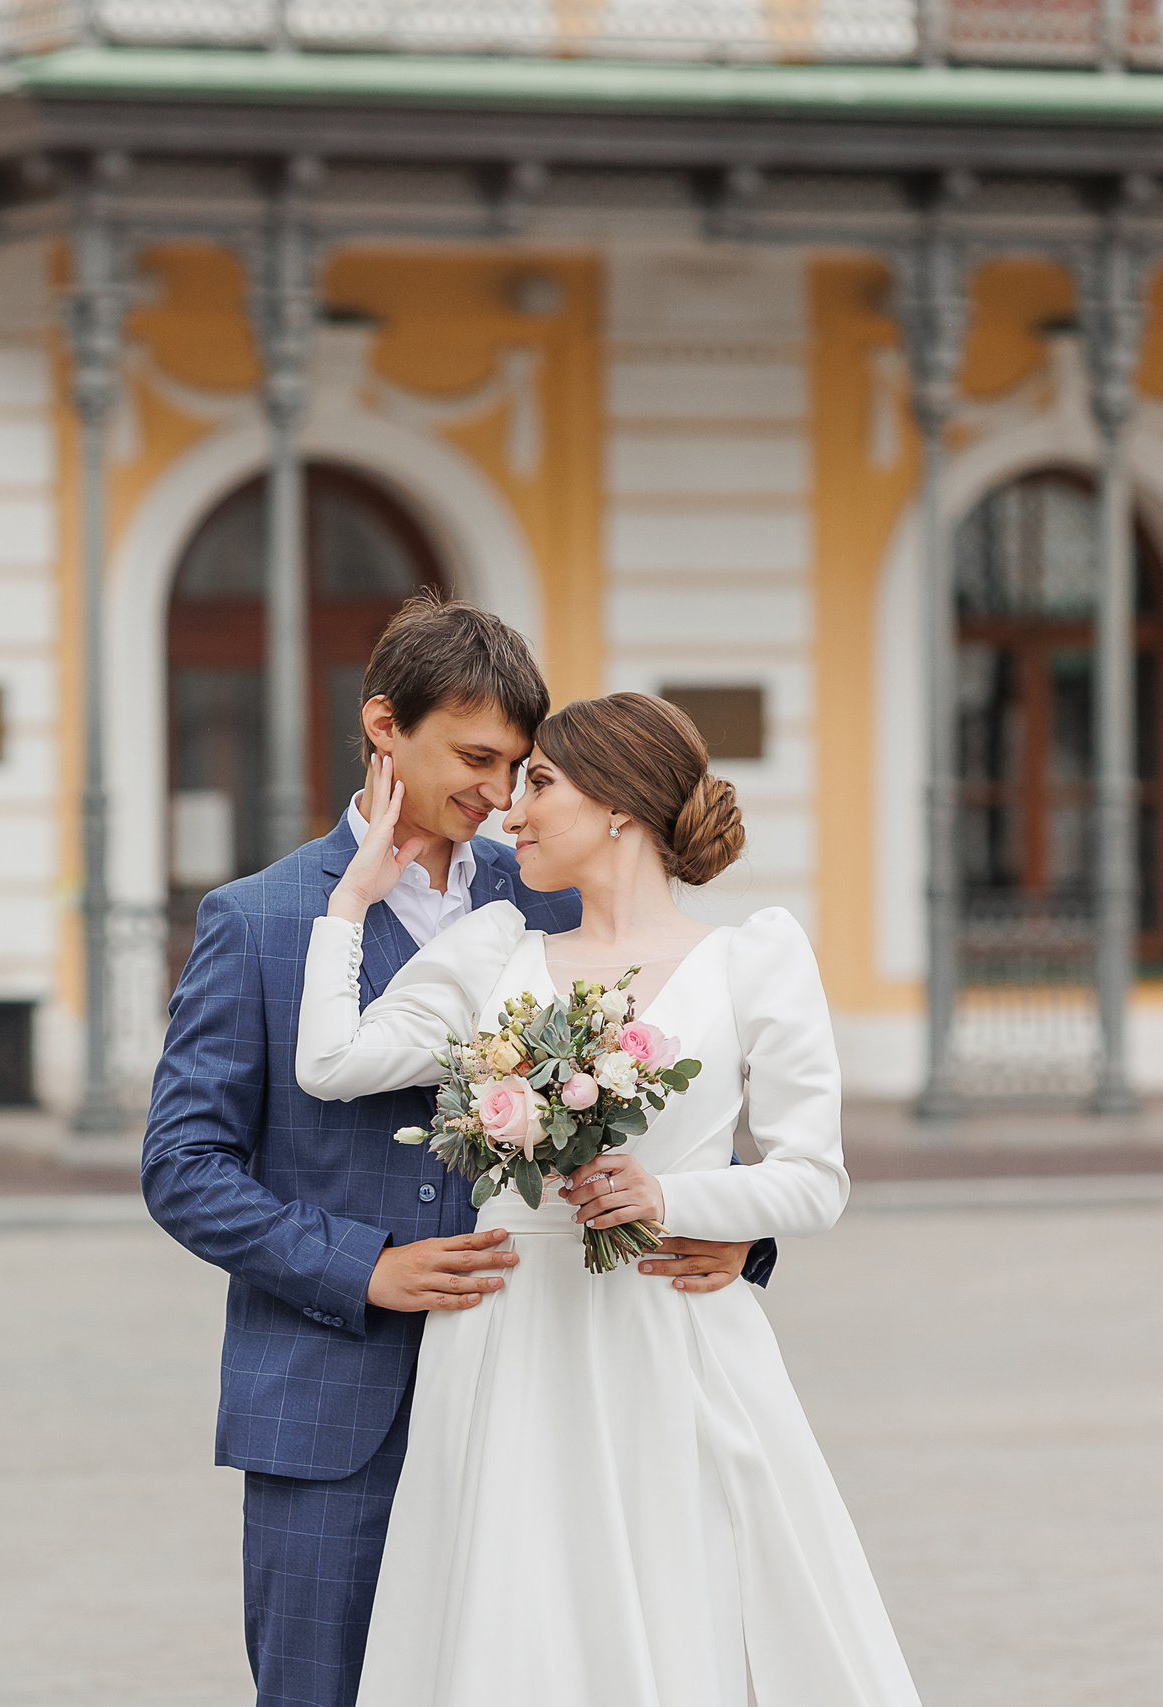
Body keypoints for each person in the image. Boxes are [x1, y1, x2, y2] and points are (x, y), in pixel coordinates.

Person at [141, 596, 773, 1707]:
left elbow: (693, 1073)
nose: (498, 794)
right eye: (474, 758)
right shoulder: (260, 918)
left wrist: (738, 1230)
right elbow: (184, 1167)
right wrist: (362, 1268)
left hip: (539, 1397)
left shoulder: (549, 901)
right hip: (338, 1411)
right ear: (385, 726)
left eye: (519, 768)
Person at [297, 691, 921, 1705]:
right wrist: (349, 907)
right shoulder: (496, 948)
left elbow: (814, 1180)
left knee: (688, 1593)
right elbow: (331, 1062)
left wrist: (671, 1198)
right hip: (508, 1336)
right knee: (515, 1610)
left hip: (668, 1335)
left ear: (621, 805)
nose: (512, 811)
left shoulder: (753, 960)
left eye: (539, 783)